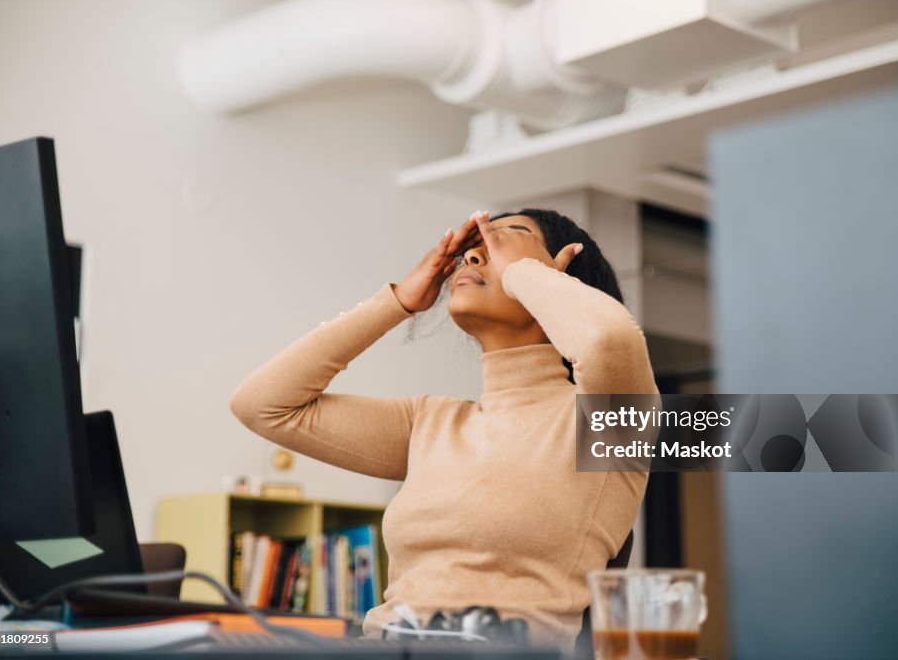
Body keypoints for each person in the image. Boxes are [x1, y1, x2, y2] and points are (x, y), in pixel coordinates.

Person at [230, 209, 656, 648]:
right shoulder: (430, 423)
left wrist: (526, 273)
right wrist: (396, 302)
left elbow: (610, 340)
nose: (474, 257)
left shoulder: (604, 426)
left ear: (561, 276)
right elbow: (263, 406)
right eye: (473, 250)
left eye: (503, 243)